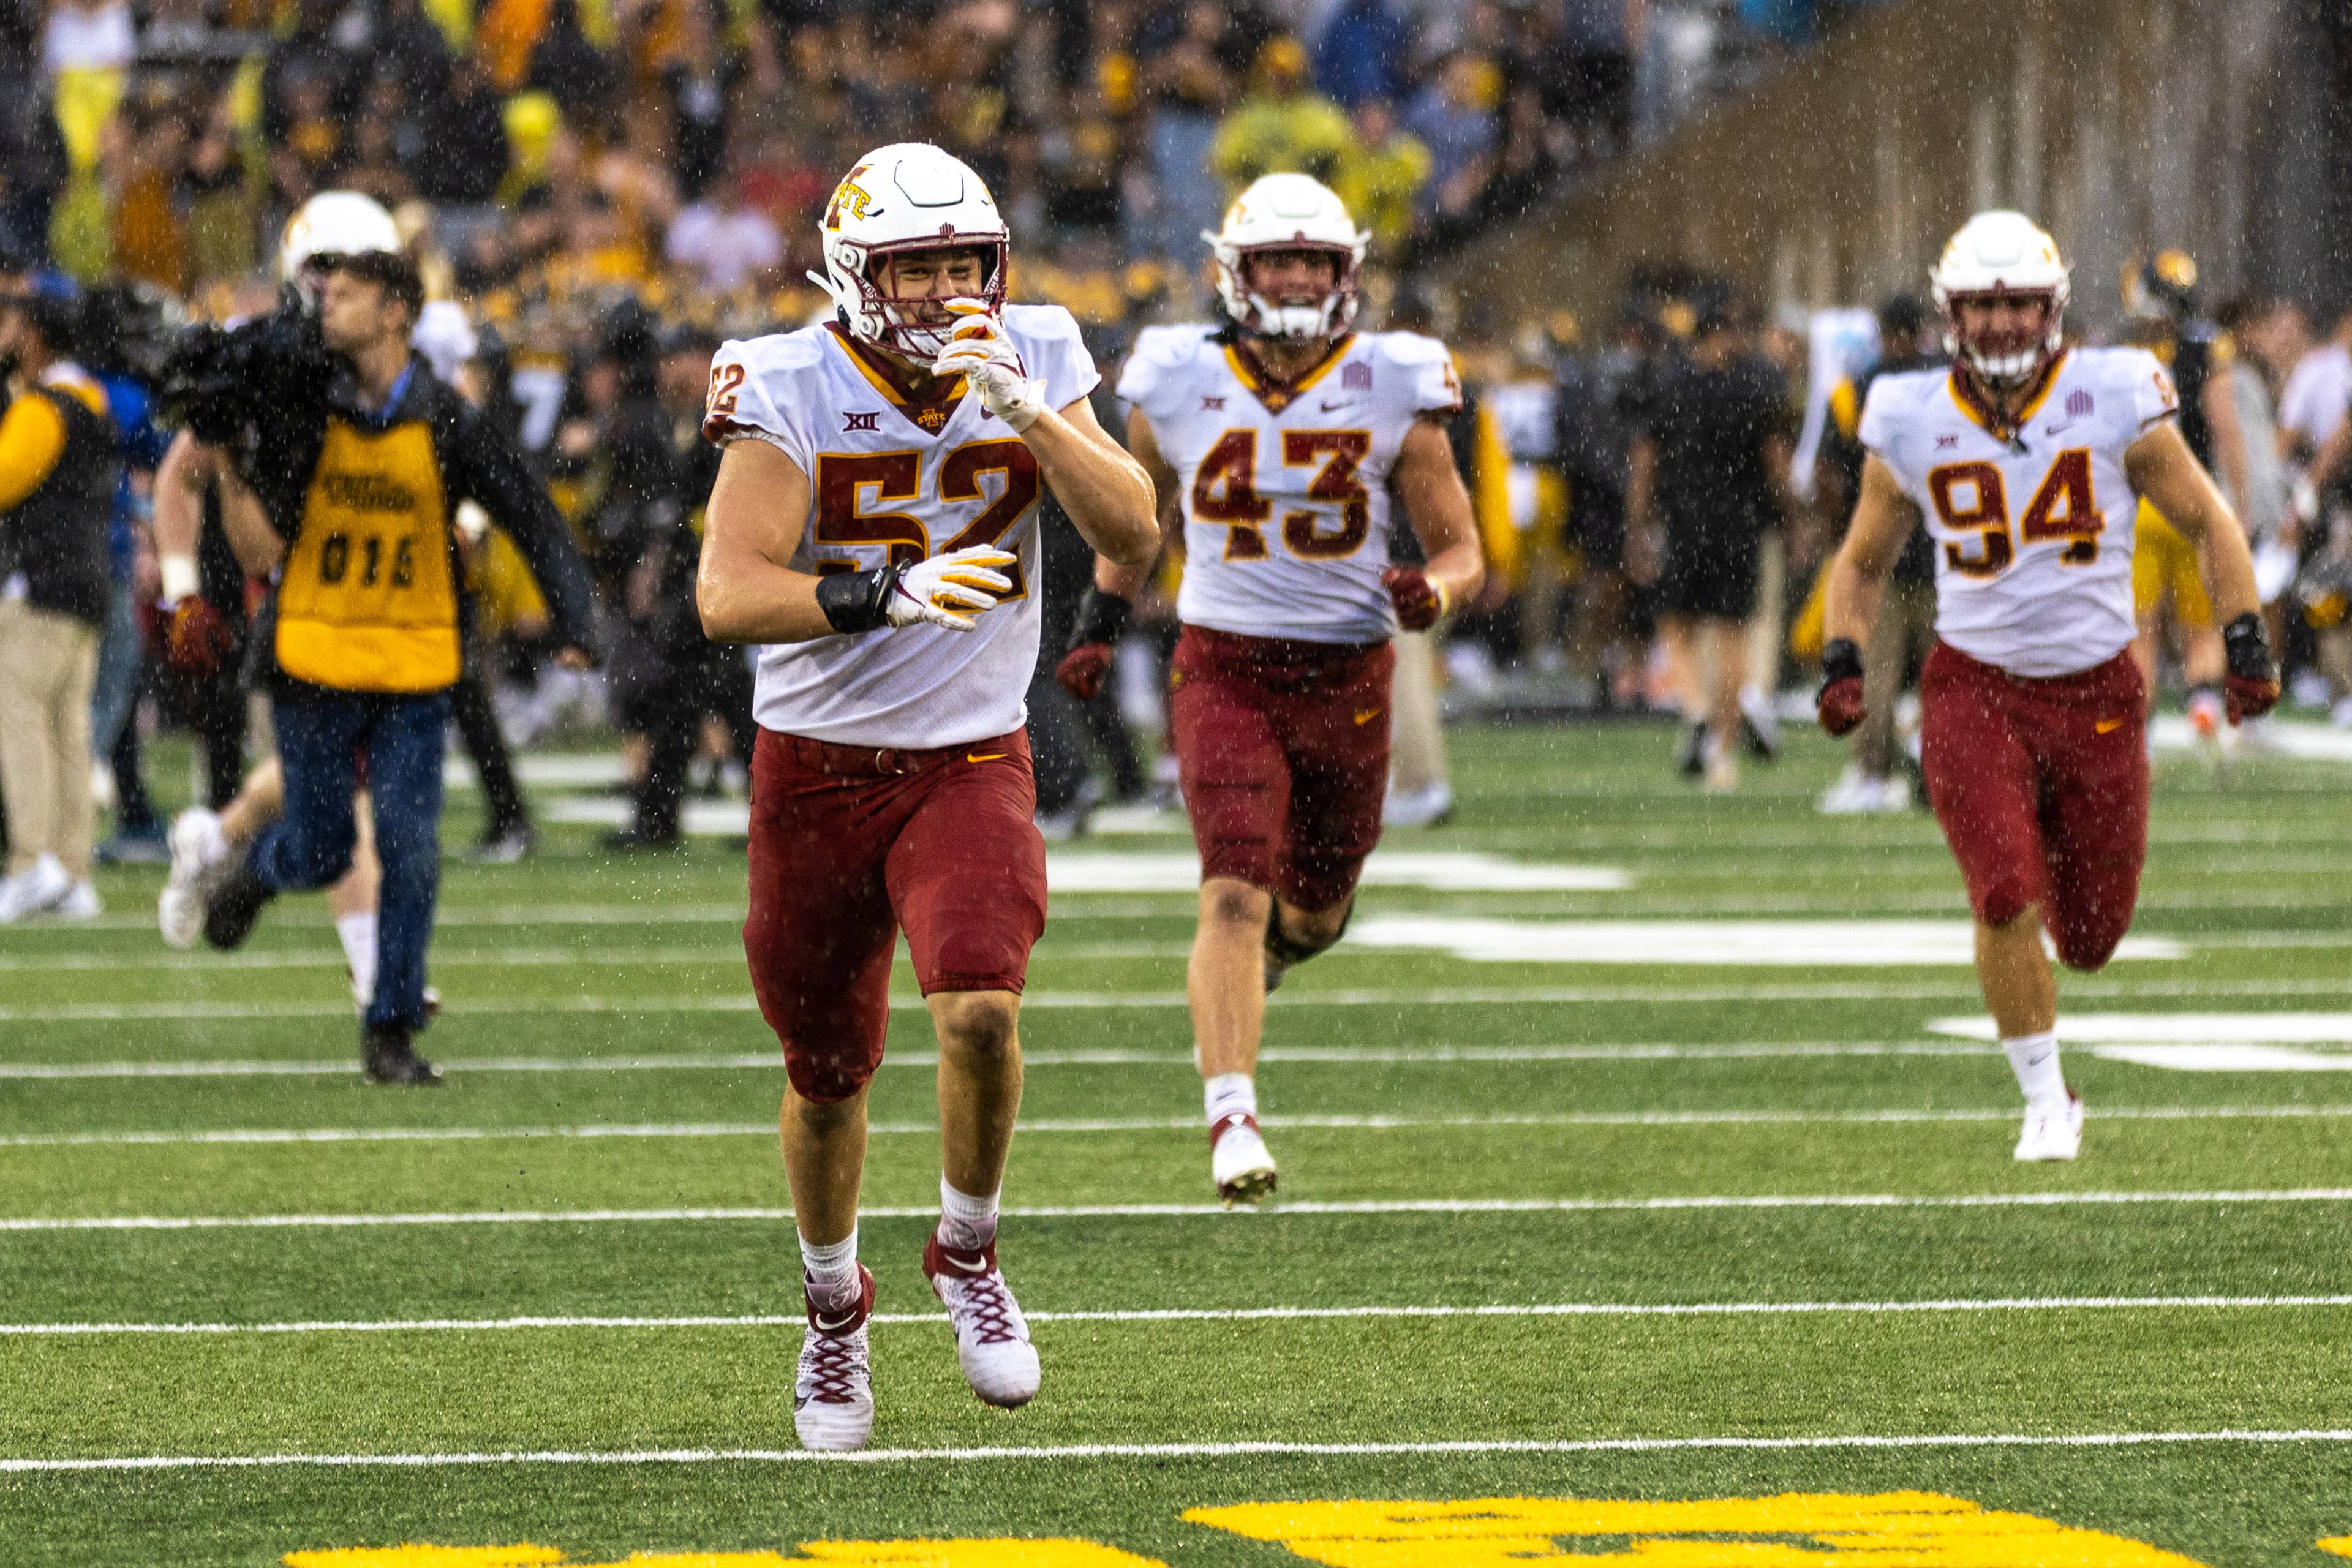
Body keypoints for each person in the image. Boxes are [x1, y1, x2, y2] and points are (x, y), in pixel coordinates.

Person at [694, 143, 1156, 1453]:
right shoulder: (789, 378)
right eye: (917, 266)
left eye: (964, 261)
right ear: (854, 274)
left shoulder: (1039, 352)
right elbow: (727, 592)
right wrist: (879, 594)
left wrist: (1029, 413)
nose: (949, 286)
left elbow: (1133, 534)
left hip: (968, 750)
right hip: (818, 763)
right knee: (829, 1073)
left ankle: (968, 1248)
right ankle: (835, 1305)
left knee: (980, 1013)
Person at [1058, 173, 1483, 1207]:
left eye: (1312, 261)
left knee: (1319, 910)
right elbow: (1136, 522)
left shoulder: (1397, 380)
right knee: (1234, 889)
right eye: (1275, 260)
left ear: (1349, 275)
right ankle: (1232, 1114)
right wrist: (1100, 623)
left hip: (1350, 673)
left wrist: (1434, 590)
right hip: (1226, 665)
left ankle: (1265, 969)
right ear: (1231, 272)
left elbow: (1463, 549)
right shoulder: (1169, 376)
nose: (1293, 278)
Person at [1817, 211, 2276, 1164]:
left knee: (2093, 935)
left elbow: (2207, 520)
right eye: (1982, 306)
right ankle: (2043, 1098)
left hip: (2099, 691)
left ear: (2053, 307)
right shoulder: (1907, 411)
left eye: (2018, 303)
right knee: (2000, 894)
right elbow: (1863, 562)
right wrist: (1843, 660)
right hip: (1971, 687)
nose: (2000, 324)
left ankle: (2052, 1016)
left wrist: (2245, 642)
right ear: (1953, 311)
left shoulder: (2112, 391)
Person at [165, 190, 595, 1086]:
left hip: (413, 657)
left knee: (408, 840)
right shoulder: (298, 399)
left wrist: (578, 617)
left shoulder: (443, 415)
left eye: (348, 293)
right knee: (321, 849)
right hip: (315, 652)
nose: (325, 306)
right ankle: (257, 872)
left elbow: (528, 511)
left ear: (397, 310)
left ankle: (390, 1027)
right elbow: (238, 504)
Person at [1627, 295, 1795, 791]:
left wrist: (1638, 523)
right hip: (1738, 526)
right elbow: (1776, 462)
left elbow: (1644, 457)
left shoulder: (1669, 382)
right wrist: (1790, 513)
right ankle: (1721, 751)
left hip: (1683, 522)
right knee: (1732, 636)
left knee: (1676, 626)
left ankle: (1697, 710)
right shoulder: (1752, 386)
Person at [0, 282, 119, 921]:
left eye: (16, 324)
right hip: (89, 581)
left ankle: (30, 862)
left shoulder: (45, 407)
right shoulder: (93, 402)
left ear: (38, 337)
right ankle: (73, 871)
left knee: (18, 714)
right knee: (67, 729)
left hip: (45, 584)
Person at [1817, 293, 1944, 813]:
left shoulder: (1864, 388)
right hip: (1943, 547)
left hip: (1881, 548)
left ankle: (1873, 772)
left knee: (1877, 668)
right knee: (1945, 673)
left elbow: (1830, 468)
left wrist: (1840, 525)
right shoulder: (1947, 384)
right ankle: (1942, 765)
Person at [2122, 251, 2243, 756]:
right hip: (2195, 500)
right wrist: (2241, 503)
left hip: (2144, 502)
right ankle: (2202, 704)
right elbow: (2225, 429)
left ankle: (2139, 734)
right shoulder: (2207, 347)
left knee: (2143, 632)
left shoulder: (2128, 350)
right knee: (2201, 624)